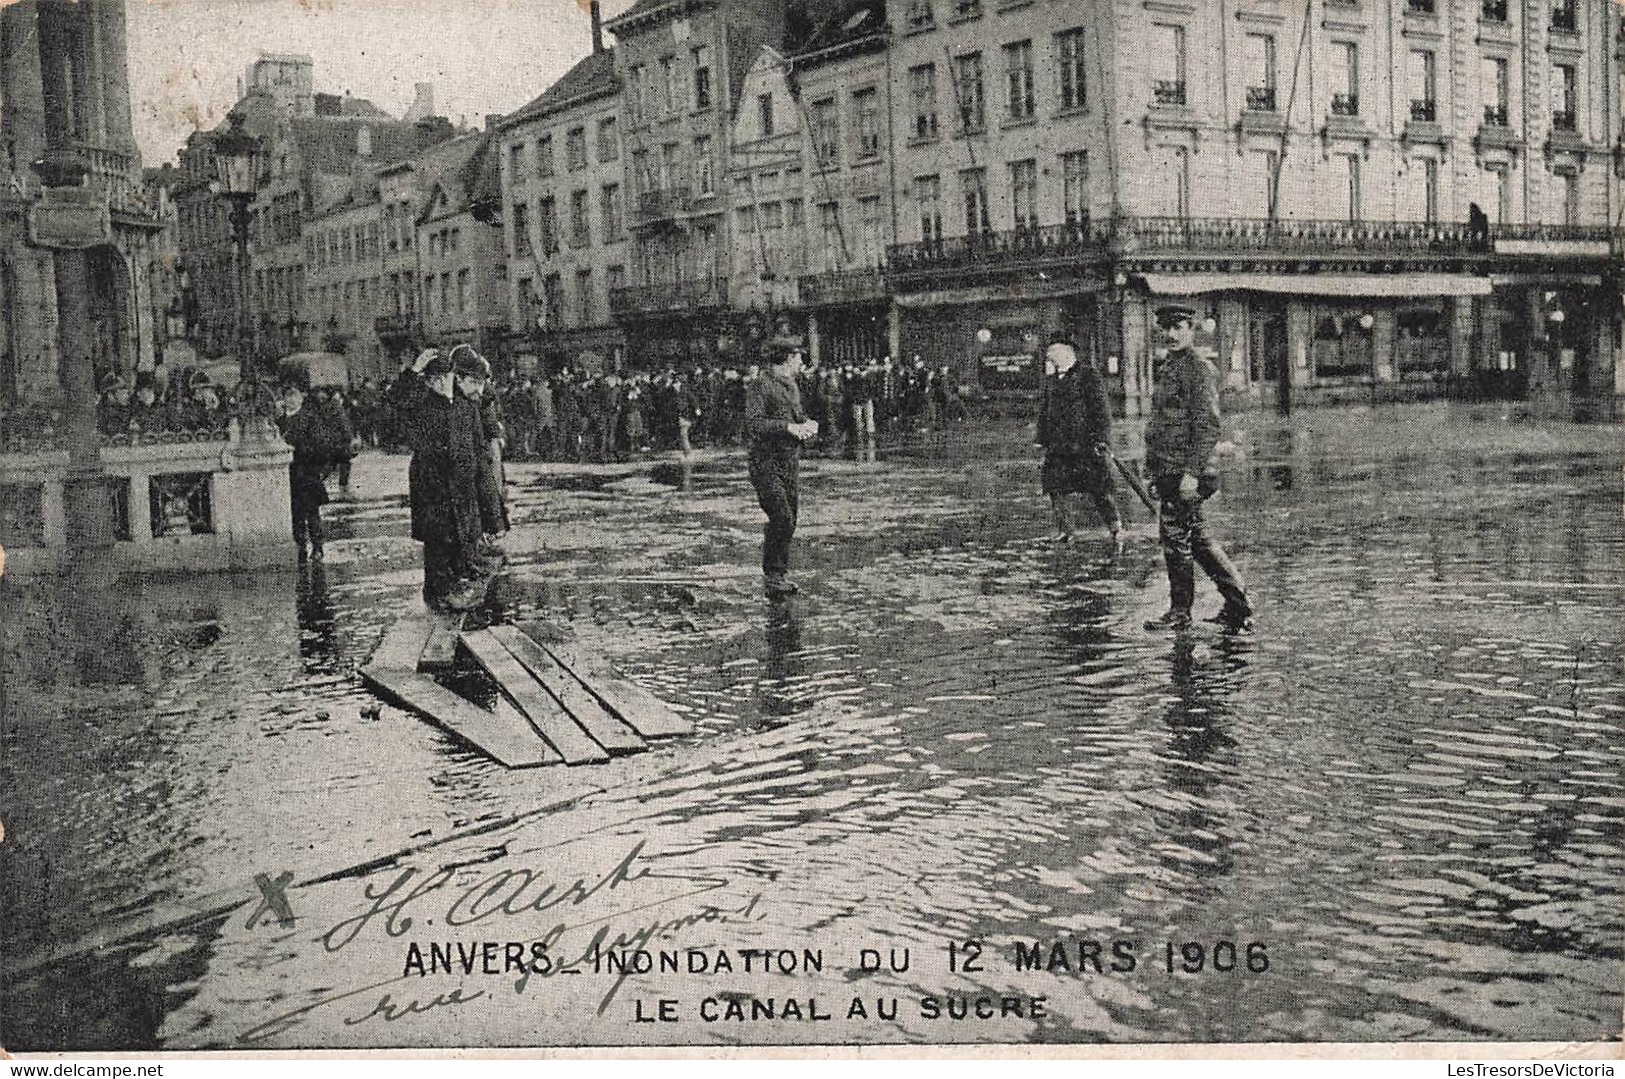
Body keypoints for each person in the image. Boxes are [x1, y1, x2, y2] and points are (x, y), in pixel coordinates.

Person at [1143, 305, 1254, 632]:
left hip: (1187, 471)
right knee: (1199, 540)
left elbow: (1207, 426)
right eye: (1166, 328)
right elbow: (1161, 426)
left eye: (1178, 327)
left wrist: (1191, 474)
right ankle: (1238, 605)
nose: (1171, 334)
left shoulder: (1197, 368)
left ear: (1192, 329)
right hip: (1171, 469)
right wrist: (1155, 473)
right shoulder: (1169, 366)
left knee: (1176, 539)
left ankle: (1180, 612)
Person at [391, 347, 502, 610]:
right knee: (438, 544)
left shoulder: (466, 408)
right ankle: (439, 598)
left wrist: (494, 513)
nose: (438, 383)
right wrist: (413, 370)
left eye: (441, 377)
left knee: (461, 542)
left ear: (450, 376)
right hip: (432, 489)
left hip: (463, 489)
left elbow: (479, 458)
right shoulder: (421, 405)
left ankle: (451, 596)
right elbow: (393, 401)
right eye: (431, 379)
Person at [746, 339, 818, 598]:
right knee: (782, 516)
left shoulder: (791, 386)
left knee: (790, 519)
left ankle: (778, 572)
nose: (801, 362)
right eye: (798, 357)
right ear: (787, 358)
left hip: (789, 461)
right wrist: (788, 428)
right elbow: (754, 424)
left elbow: (795, 417)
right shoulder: (760, 385)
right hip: (765, 462)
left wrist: (807, 424)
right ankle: (774, 575)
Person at [1036, 338, 1123, 552]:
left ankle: (1115, 526)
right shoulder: (1051, 380)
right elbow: (1044, 412)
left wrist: (1101, 439)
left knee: (1099, 489)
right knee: (1055, 488)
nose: (1049, 355)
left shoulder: (1088, 375)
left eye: (1053, 350)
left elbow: (1101, 410)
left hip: (1084, 445)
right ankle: (1066, 531)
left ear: (1067, 352)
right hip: (1058, 447)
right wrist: (1041, 439)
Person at [276, 373, 344, 564]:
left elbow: (320, 444)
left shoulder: (309, 418)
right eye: (287, 396)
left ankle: (318, 547)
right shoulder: (280, 422)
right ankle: (300, 545)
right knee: (295, 512)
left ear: (301, 397)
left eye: (294, 395)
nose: (290, 399)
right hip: (289, 473)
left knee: (312, 512)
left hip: (307, 471)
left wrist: (311, 459)